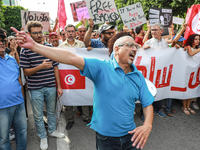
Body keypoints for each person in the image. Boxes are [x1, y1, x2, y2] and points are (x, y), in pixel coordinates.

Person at [12, 26, 154, 150]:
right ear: (116, 49)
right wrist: (35, 46)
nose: (134, 48)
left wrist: (147, 125)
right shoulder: (102, 68)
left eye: (135, 46)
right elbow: (70, 57)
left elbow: (147, 103)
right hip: (107, 139)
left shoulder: (138, 76)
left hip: (132, 137)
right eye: (129, 45)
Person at [19, 21, 64, 150]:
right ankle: (42, 136)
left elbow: (56, 68)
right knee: (38, 116)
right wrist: (41, 67)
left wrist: (59, 86)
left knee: (51, 111)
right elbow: (26, 72)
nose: (39, 35)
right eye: (35, 33)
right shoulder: (25, 50)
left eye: (40, 32)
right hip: (35, 89)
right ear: (29, 34)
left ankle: (52, 130)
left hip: (51, 86)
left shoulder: (49, 47)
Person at [59, 24, 91, 130]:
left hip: (80, 74)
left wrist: (89, 51)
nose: (70, 33)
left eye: (72, 31)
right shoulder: (61, 47)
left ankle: (86, 117)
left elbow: (86, 58)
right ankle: (70, 120)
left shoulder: (81, 44)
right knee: (68, 97)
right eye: (68, 32)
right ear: (65, 33)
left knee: (83, 94)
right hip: (67, 75)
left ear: (75, 32)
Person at [0, 28, 27, 150]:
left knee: (22, 132)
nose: (1, 43)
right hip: (2, 106)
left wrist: (22, 98)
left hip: (19, 103)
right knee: (3, 138)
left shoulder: (11, 59)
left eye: (3, 40)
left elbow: (18, 79)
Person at [143, 22, 168, 117]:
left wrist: (176, 49)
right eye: (152, 30)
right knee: (148, 90)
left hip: (161, 71)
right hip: (150, 71)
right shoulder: (148, 42)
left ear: (161, 31)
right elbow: (141, 58)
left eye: (155, 30)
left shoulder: (165, 43)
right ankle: (144, 112)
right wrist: (143, 49)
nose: (153, 32)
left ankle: (157, 109)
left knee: (160, 89)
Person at [181, 34, 200, 114]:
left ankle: (188, 106)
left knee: (191, 90)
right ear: (191, 39)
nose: (198, 41)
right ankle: (184, 107)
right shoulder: (188, 47)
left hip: (194, 73)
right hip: (187, 72)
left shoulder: (197, 49)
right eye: (196, 39)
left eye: (198, 39)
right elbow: (191, 54)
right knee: (186, 89)